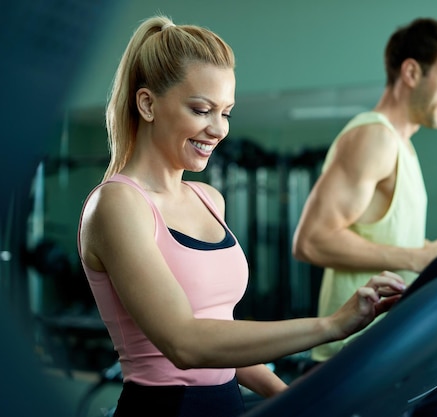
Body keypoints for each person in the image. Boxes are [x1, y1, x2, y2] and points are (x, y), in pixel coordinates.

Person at [77, 15, 407, 417]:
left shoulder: (209, 200)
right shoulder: (118, 204)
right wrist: (331, 325)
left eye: (226, 113)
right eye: (202, 110)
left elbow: (223, 337)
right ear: (147, 104)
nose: (218, 129)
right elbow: (187, 343)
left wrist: (288, 396)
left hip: (226, 404)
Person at [292, 18, 437, 416]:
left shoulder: (403, 146)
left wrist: (432, 252)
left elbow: (380, 236)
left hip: (397, 347)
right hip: (357, 357)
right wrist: (416, 258)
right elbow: (312, 240)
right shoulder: (373, 137)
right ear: (411, 72)